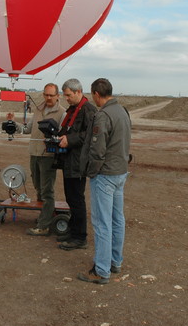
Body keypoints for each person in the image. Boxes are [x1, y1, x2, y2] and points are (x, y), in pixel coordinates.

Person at [77, 78, 131, 284]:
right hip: (120, 173)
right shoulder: (122, 112)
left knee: (102, 223)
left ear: (97, 95)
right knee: (117, 220)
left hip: (105, 176)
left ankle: (101, 270)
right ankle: (115, 262)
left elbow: (97, 150)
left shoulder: (103, 115)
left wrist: (92, 172)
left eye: (92, 96)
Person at [7, 83, 65, 236]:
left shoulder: (62, 113)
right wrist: (14, 122)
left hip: (48, 157)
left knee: (47, 190)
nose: (48, 97)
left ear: (58, 96)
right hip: (34, 153)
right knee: (38, 187)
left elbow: (63, 136)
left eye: (52, 95)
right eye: (46, 94)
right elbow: (27, 129)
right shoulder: (38, 110)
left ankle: (44, 225)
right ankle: (44, 216)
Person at [56, 79, 97, 251]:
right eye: (65, 95)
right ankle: (73, 231)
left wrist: (69, 140)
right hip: (69, 161)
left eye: (68, 95)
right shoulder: (73, 109)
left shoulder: (88, 110)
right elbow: (70, 129)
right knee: (71, 198)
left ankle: (80, 237)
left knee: (76, 200)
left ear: (78, 91)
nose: (66, 98)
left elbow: (88, 136)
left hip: (78, 162)